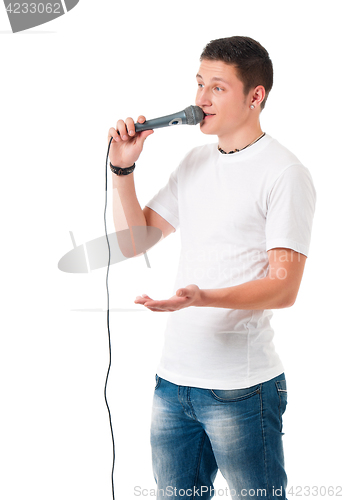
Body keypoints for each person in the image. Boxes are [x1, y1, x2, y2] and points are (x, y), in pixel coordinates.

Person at [108, 36, 316, 500]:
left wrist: (205, 297)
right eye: (199, 84)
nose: (200, 99)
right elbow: (134, 241)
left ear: (255, 96)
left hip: (242, 391)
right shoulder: (195, 162)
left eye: (217, 88)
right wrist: (124, 171)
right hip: (173, 383)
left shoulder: (285, 173)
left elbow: (284, 289)